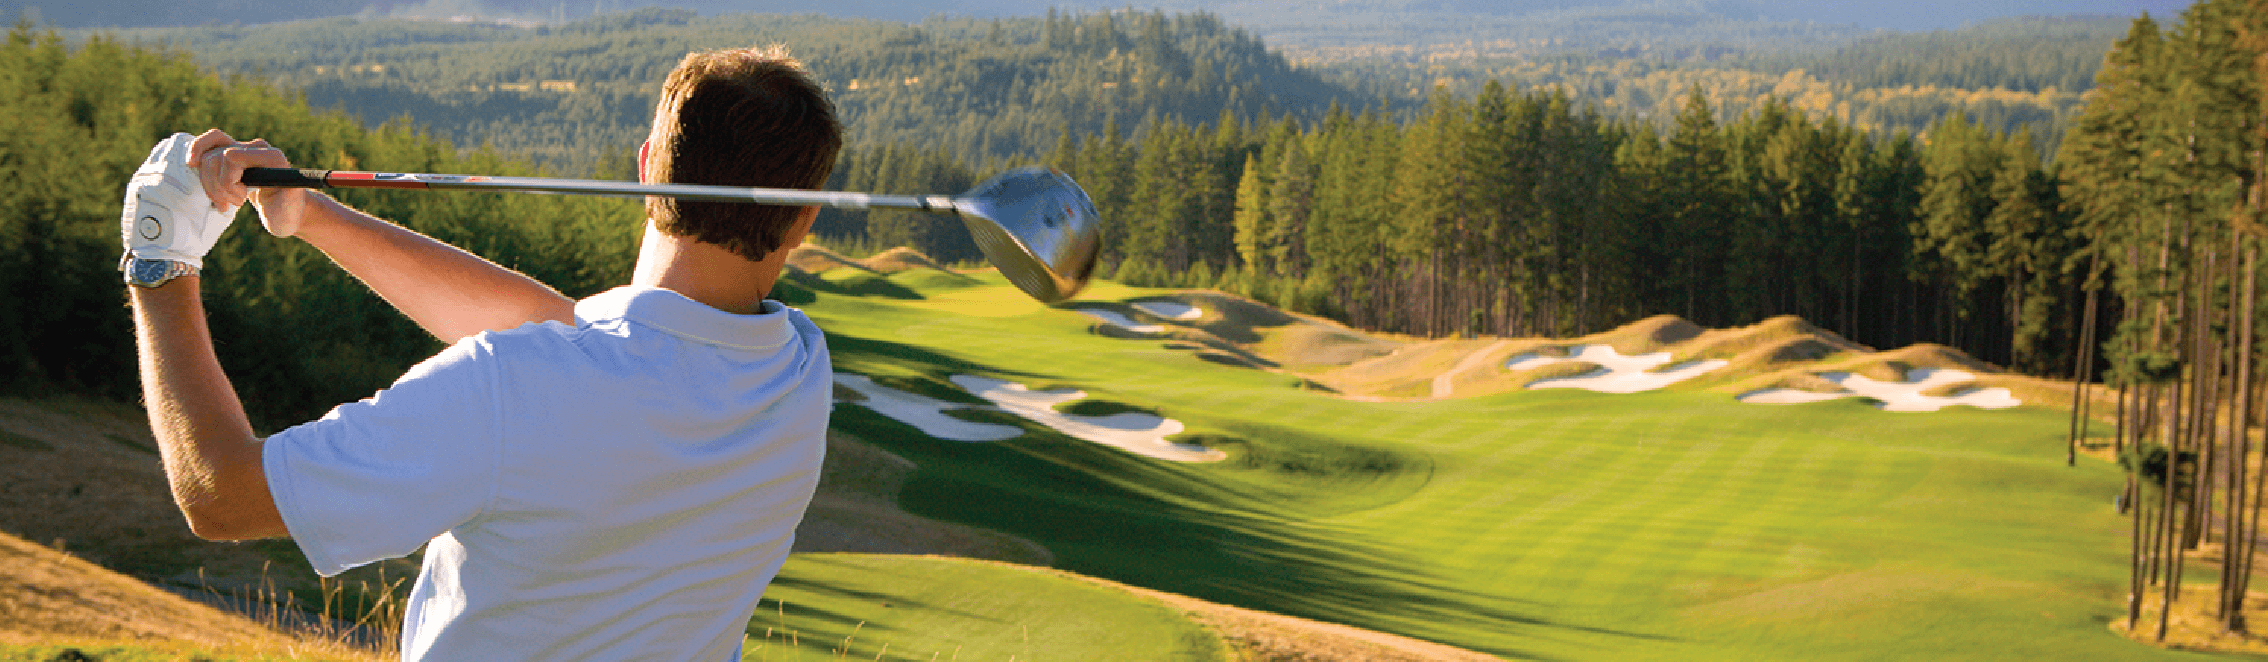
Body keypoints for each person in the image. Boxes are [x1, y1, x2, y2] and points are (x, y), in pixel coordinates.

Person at [120, 44, 843, 660]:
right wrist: (313, 215)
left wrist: (160, 260)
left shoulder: (513, 389)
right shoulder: (801, 370)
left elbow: (222, 496)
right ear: (805, 218)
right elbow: (555, 332)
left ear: (648, 163)